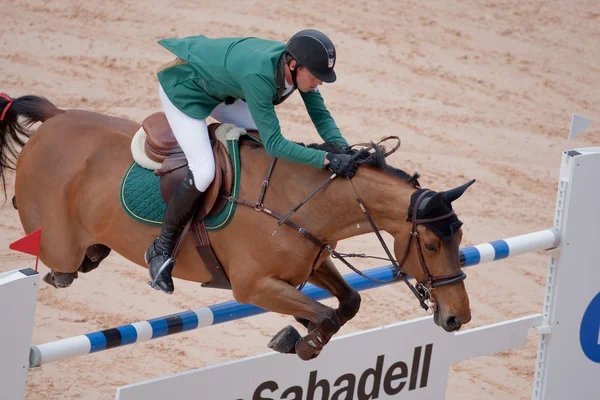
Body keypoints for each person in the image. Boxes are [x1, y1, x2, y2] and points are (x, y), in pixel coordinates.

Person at [146, 29, 360, 294]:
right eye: (316, 76)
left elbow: (321, 116)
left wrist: (344, 149)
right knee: (203, 171)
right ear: (293, 65)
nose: (319, 82)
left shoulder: (295, 68)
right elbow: (276, 144)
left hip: (221, 92)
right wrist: (326, 159)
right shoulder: (260, 75)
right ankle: (161, 249)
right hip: (185, 89)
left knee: (256, 141)